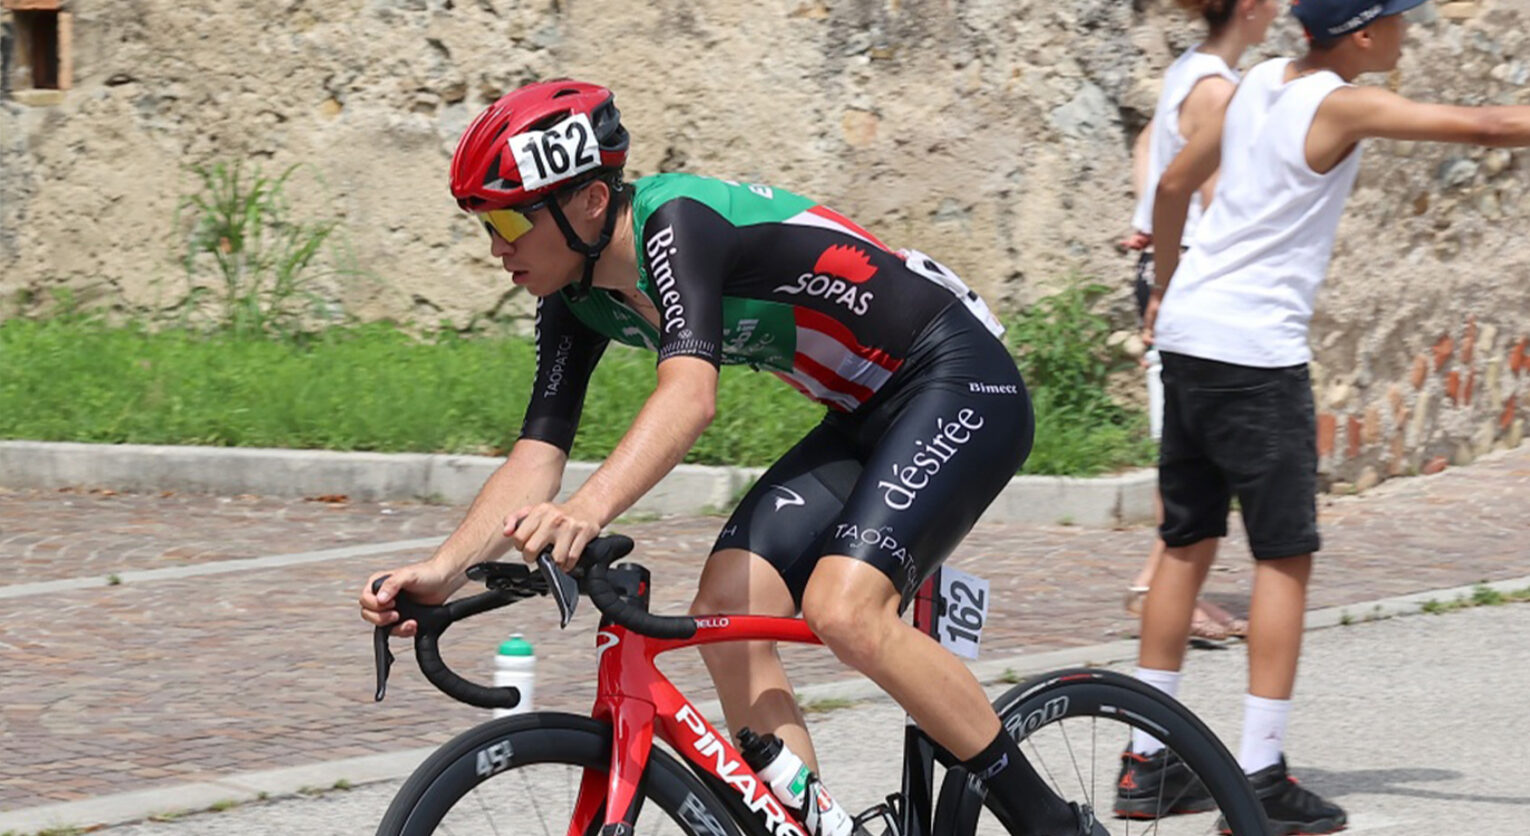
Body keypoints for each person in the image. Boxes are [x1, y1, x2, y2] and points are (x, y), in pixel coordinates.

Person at [358, 80, 1108, 835]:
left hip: (958, 380)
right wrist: (441, 570)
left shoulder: (675, 225)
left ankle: (1050, 823)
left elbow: (690, 396)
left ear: (590, 201)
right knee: (728, 606)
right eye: (485, 225)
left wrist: (585, 511)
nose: (497, 246)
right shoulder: (575, 297)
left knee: (844, 609)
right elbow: (536, 457)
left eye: (510, 220)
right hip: (863, 413)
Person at [1136, 0, 1530, 832]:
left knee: (1185, 541)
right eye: (1399, 20)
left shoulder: (1255, 82)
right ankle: (1260, 776)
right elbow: (1489, 126)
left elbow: (1171, 186)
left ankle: (1146, 761)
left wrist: (1167, 287)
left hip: (1191, 334)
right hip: (1256, 355)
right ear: (1362, 33)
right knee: (1283, 556)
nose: (1408, 32)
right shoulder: (1341, 103)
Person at [1118, 0, 1275, 655]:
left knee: (1188, 445)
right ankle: (1157, 588)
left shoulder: (1190, 69)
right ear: (1249, 8)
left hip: (1168, 267)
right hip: (1191, 278)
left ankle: (1167, 585)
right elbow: (1216, 197)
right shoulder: (1217, 89)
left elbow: (1147, 147)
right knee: (1193, 450)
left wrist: (1146, 218)